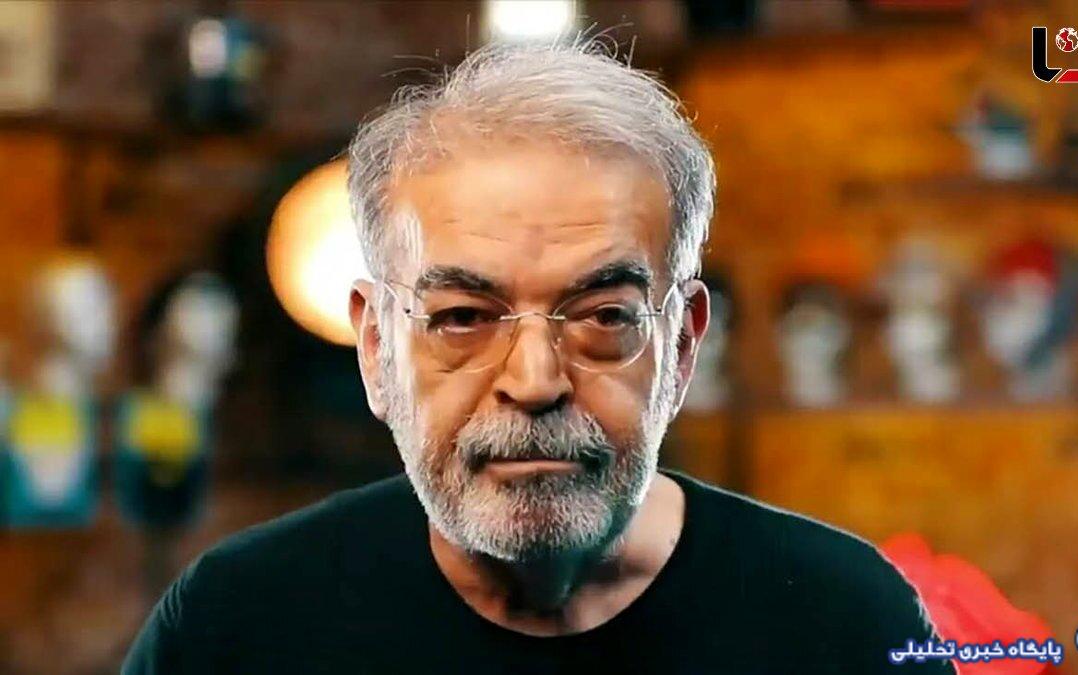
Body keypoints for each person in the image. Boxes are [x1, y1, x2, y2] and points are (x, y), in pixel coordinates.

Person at [123, 38, 950, 674]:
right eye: (461, 317)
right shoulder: (237, 627)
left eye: (603, 316)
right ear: (376, 347)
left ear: (682, 344)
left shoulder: (844, 622)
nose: (534, 379)